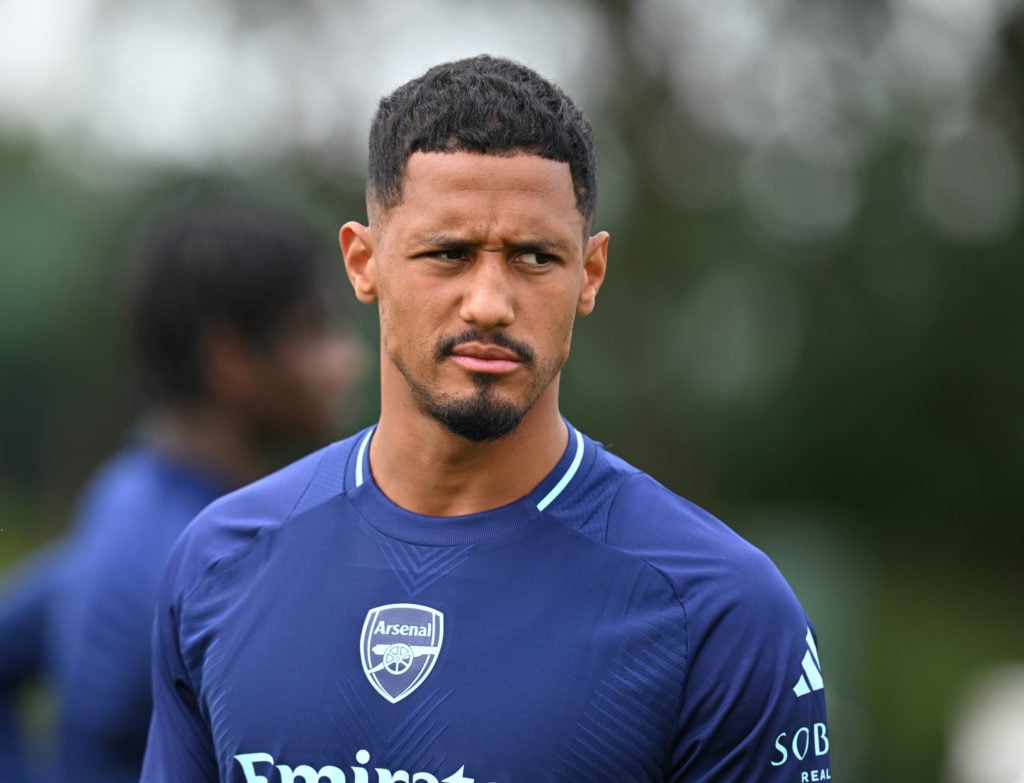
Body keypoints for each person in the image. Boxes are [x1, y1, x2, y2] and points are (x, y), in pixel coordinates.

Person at [141, 56, 831, 782]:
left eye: (535, 256)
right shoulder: (218, 562)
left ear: (589, 274)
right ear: (363, 262)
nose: (490, 302)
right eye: (449, 253)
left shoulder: (721, 611)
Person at [0, 202, 365, 783]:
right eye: (313, 331)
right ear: (231, 359)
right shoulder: (204, 565)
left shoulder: (125, 494)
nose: (347, 360)